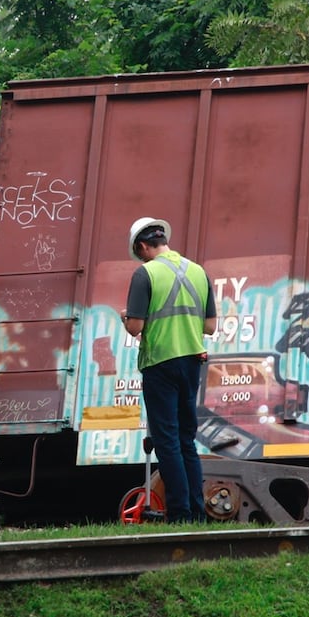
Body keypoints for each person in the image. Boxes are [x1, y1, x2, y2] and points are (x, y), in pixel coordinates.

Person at [120, 216, 216, 523]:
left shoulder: (145, 274)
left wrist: (126, 317)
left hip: (161, 363)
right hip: (192, 362)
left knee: (167, 440)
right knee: (187, 440)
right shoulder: (198, 272)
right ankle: (197, 514)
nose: (142, 257)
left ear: (144, 246)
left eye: (140, 252)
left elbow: (135, 327)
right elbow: (210, 327)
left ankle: (179, 513)